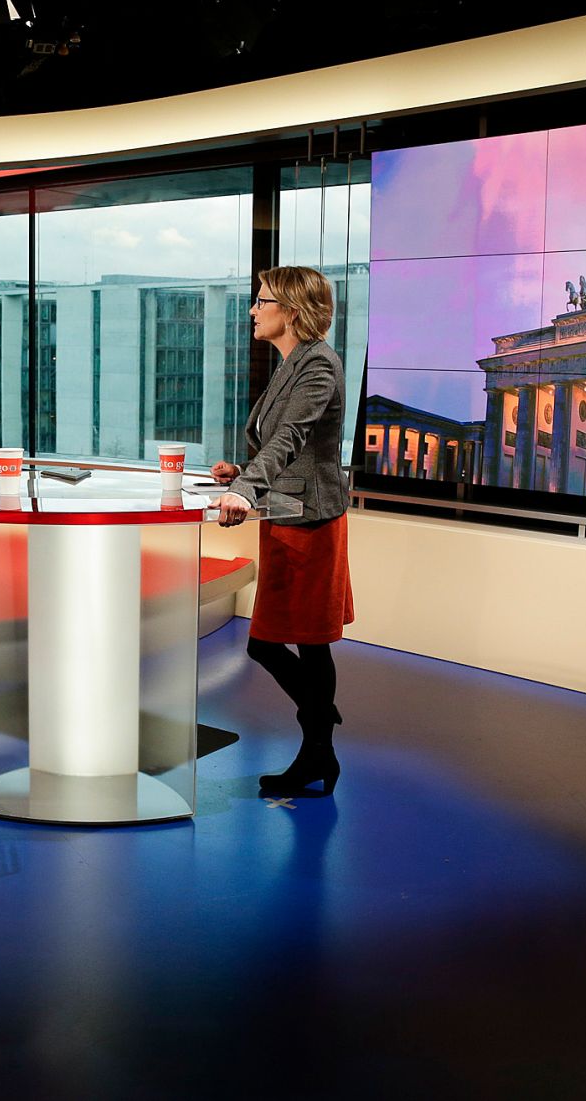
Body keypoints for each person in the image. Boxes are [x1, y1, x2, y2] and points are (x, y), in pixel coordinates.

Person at [210, 266, 355, 797]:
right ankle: (321, 732)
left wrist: (247, 490)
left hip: (311, 521)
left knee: (306, 644)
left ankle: (318, 744)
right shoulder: (292, 362)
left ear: (291, 309)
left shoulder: (318, 364)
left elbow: (292, 437)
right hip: (282, 514)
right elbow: (276, 444)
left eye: (261, 300)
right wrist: (241, 476)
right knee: (272, 644)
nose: (253, 309)